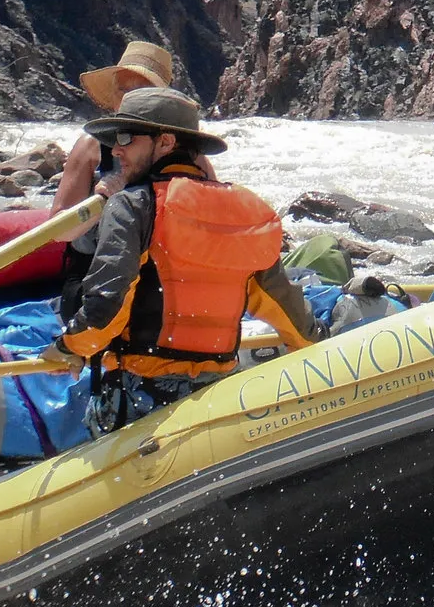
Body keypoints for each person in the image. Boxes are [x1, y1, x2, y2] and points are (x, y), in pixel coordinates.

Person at [49, 86, 316, 425]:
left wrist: (69, 347)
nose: (116, 149)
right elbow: (285, 307)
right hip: (216, 395)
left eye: (127, 137)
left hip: (138, 396)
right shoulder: (246, 210)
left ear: (165, 142)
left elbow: (105, 308)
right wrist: (317, 342)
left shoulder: (132, 206)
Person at [50, 40, 176, 218]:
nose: (128, 100)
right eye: (122, 90)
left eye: (140, 92)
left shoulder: (187, 150)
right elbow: (58, 229)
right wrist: (98, 201)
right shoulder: (91, 145)